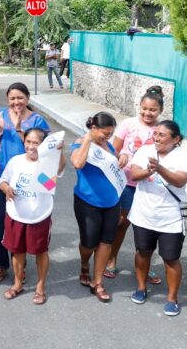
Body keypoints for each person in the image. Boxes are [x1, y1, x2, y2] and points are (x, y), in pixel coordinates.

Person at [127, 120, 187, 316]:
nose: (156, 138)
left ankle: (172, 298)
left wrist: (160, 169)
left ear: (176, 139)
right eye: (155, 133)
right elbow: (134, 174)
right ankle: (141, 288)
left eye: (162, 135)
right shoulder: (145, 150)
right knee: (143, 252)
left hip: (171, 218)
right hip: (143, 214)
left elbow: (180, 181)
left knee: (171, 258)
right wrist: (149, 170)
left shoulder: (185, 156)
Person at [0, 82, 50, 282]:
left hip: (27, 178)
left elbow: (47, 149)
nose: (16, 102)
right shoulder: (0, 115)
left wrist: (19, 130)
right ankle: (1, 264)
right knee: (0, 220)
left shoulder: (38, 120)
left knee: (19, 221)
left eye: (20, 98)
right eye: (12, 98)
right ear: (8, 100)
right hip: (0, 175)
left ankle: (18, 266)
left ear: (27, 98)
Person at [105, 86, 165, 285]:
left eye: (153, 110)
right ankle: (111, 258)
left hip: (150, 185)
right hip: (127, 183)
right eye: (144, 108)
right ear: (139, 107)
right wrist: (120, 154)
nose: (148, 113)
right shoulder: (128, 124)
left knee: (148, 226)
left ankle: (143, 266)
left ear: (160, 111)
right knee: (122, 222)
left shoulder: (162, 129)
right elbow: (113, 149)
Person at [0, 128, 65, 303]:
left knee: (41, 252)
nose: (31, 146)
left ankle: (40, 286)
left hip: (39, 216)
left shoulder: (47, 163)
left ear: (43, 145)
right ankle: (17, 283)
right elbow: (2, 180)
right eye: (28, 141)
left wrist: (59, 151)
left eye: (35, 143)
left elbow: (59, 169)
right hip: (15, 214)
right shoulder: (16, 161)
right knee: (17, 251)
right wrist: (7, 188)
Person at [70, 112, 121, 303]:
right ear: (93, 128)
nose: (108, 137)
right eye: (104, 133)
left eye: (111, 133)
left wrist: (121, 159)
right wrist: (87, 140)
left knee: (106, 242)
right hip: (87, 202)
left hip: (111, 202)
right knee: (89, 243)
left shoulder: (108, 146)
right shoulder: (80, 142)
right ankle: (84, 264)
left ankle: (97, 282)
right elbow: (77, 163)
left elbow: (114, 169)